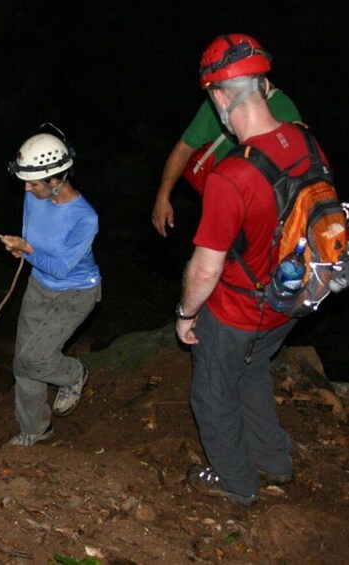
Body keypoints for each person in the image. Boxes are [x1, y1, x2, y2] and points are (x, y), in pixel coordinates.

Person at [175, 34, 328, 506]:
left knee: (212, 393)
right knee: (254, 371)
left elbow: (205, 270)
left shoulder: (232, 176)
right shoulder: (305, 138)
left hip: (241, 311)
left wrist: (185, 313)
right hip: (293, 300)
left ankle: (238, 484)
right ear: (263, 86)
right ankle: (275, 462)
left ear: (220, 97)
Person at [1, 126, 102, 446]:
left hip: (75, 292)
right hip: (39, 287)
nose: (27, 189)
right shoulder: (34, 197)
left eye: (33, 183)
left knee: (36, 358)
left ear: (55, 181)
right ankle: (36, 430)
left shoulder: (85, 218)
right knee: (23, 363)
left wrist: (28, 251)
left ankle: (74, 375)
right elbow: (33, 240)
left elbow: (60, 268)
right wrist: (22, 247)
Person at [151, 34, 301, 238]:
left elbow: (297, 176)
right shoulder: (214, 107)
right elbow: (184, 147)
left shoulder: (285, 112)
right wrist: (163, 196)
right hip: (224, 206)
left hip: (268, 221)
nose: (217, 98)